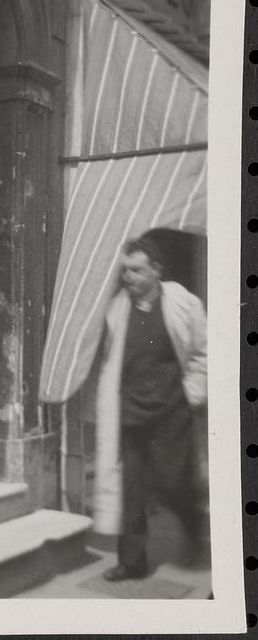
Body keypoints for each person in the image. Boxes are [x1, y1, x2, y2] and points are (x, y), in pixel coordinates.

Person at [92, 235, 207, 581]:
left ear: (156, 271)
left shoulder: (184, 303)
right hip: (131, 415)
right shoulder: (116, 309)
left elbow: (203, 353)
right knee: (133, 492)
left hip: (173, 415)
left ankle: (191, 520)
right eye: (125, 270)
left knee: (174, 485)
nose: (128, 277)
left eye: (136, 270)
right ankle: (131, 561)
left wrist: (191, 394)